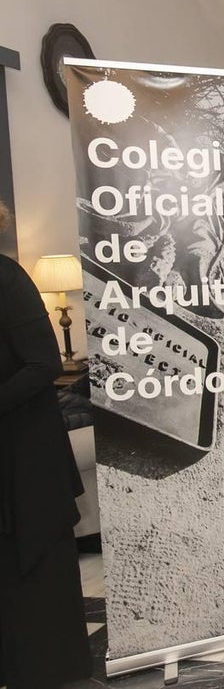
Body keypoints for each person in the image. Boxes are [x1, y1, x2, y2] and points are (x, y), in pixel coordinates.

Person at [0, 200, 92, 687]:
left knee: (36, 569)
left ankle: (53, 671)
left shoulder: (8, 279)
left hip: (27, 457)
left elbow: (43, 365)